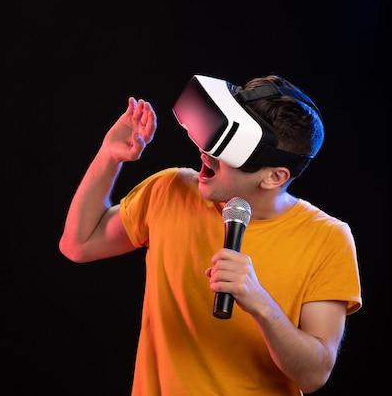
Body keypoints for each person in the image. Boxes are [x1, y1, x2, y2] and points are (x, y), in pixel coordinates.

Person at [58, 73, 362, 395]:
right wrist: (109, 156)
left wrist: (260, 303)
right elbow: (78, 245)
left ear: (274, 176)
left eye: (226, 150)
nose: (205, 153)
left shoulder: (328, 238)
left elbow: (314, 375)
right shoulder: (169, 191)